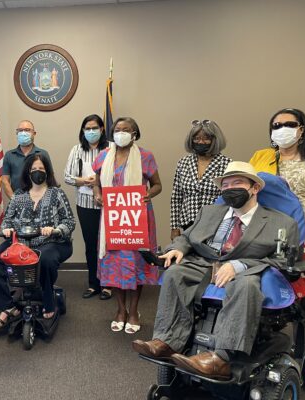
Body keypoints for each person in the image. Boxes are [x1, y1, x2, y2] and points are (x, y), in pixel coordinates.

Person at [132, 161, 299, 380]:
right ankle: (167, 342)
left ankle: (222, 358)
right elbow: (186, 236)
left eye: (237, 183)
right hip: (205, 263)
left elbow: (282, 260)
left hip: (246, 269)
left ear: (255, 188)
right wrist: (178, 249)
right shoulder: (210, 211)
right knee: (174, 273)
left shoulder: (282, 223)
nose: (230, 189)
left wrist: (239, 265)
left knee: (246, 285)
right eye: (225, 185)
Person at [250, 107, 305, 342]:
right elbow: (250, 190)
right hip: (269, 234)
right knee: (268, 284)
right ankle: (266, 342)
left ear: (301, 129)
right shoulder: (261, 157)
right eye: (276, 126)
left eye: (288, 125)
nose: (282, 130)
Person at [0, 154, 74, 331]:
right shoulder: (19, 195)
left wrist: (55, 229)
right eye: (33, 170)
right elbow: (7, 221)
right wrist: (7, 229)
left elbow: (69, 221)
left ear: (47, 171)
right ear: (27, 172)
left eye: (41, 169)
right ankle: (8, 305)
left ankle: (48, 300)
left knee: (45, 258)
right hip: (21, 243)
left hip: (51, 242)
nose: (37, 172)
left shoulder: (57, 194)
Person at [92, 117, 162, 334]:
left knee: (136, 263)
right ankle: (120, 310)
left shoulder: (145, 156)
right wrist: (97, 194)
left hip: (138, 218)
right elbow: (96, 181)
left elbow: (157, 185)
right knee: (114, 265)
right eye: (117, 129)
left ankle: (134, 311)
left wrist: (148, 194)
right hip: (112, 221)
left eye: (126, 130)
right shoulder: (104, 155)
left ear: (135, 133)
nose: (121, 133)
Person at [64, 114, 112, 300]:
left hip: (108, 204)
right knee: (91, 245)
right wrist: (84, 181)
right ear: (83, 131)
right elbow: (67, 176)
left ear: (102, 129)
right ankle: (94, 283)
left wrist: (99, 183)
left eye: (95, 128)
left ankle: (108, 284)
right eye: (87, 128)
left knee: (108, 244)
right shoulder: (76, 150)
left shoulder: (111, 148)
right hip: (84, 204)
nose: (91, 132)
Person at [170, 120, 231, 240]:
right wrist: (174, 227)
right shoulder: (183, 163)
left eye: (206, 139)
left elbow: (230, 199)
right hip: (188, 225)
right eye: (196, 138)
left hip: (216, 225)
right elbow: (176, 197)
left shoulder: (227, 164)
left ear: (215, 140)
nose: (201, 142)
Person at [1, 120, 51, 199]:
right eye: (20, 130)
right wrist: (14, 200)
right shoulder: (9, 155)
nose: (23, 133)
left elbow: (50, 178)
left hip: (39, 200)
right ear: (17, 133)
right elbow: (4, 180)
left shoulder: (43, 154)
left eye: (27, 130)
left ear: (34, 133)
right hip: (17, 200)